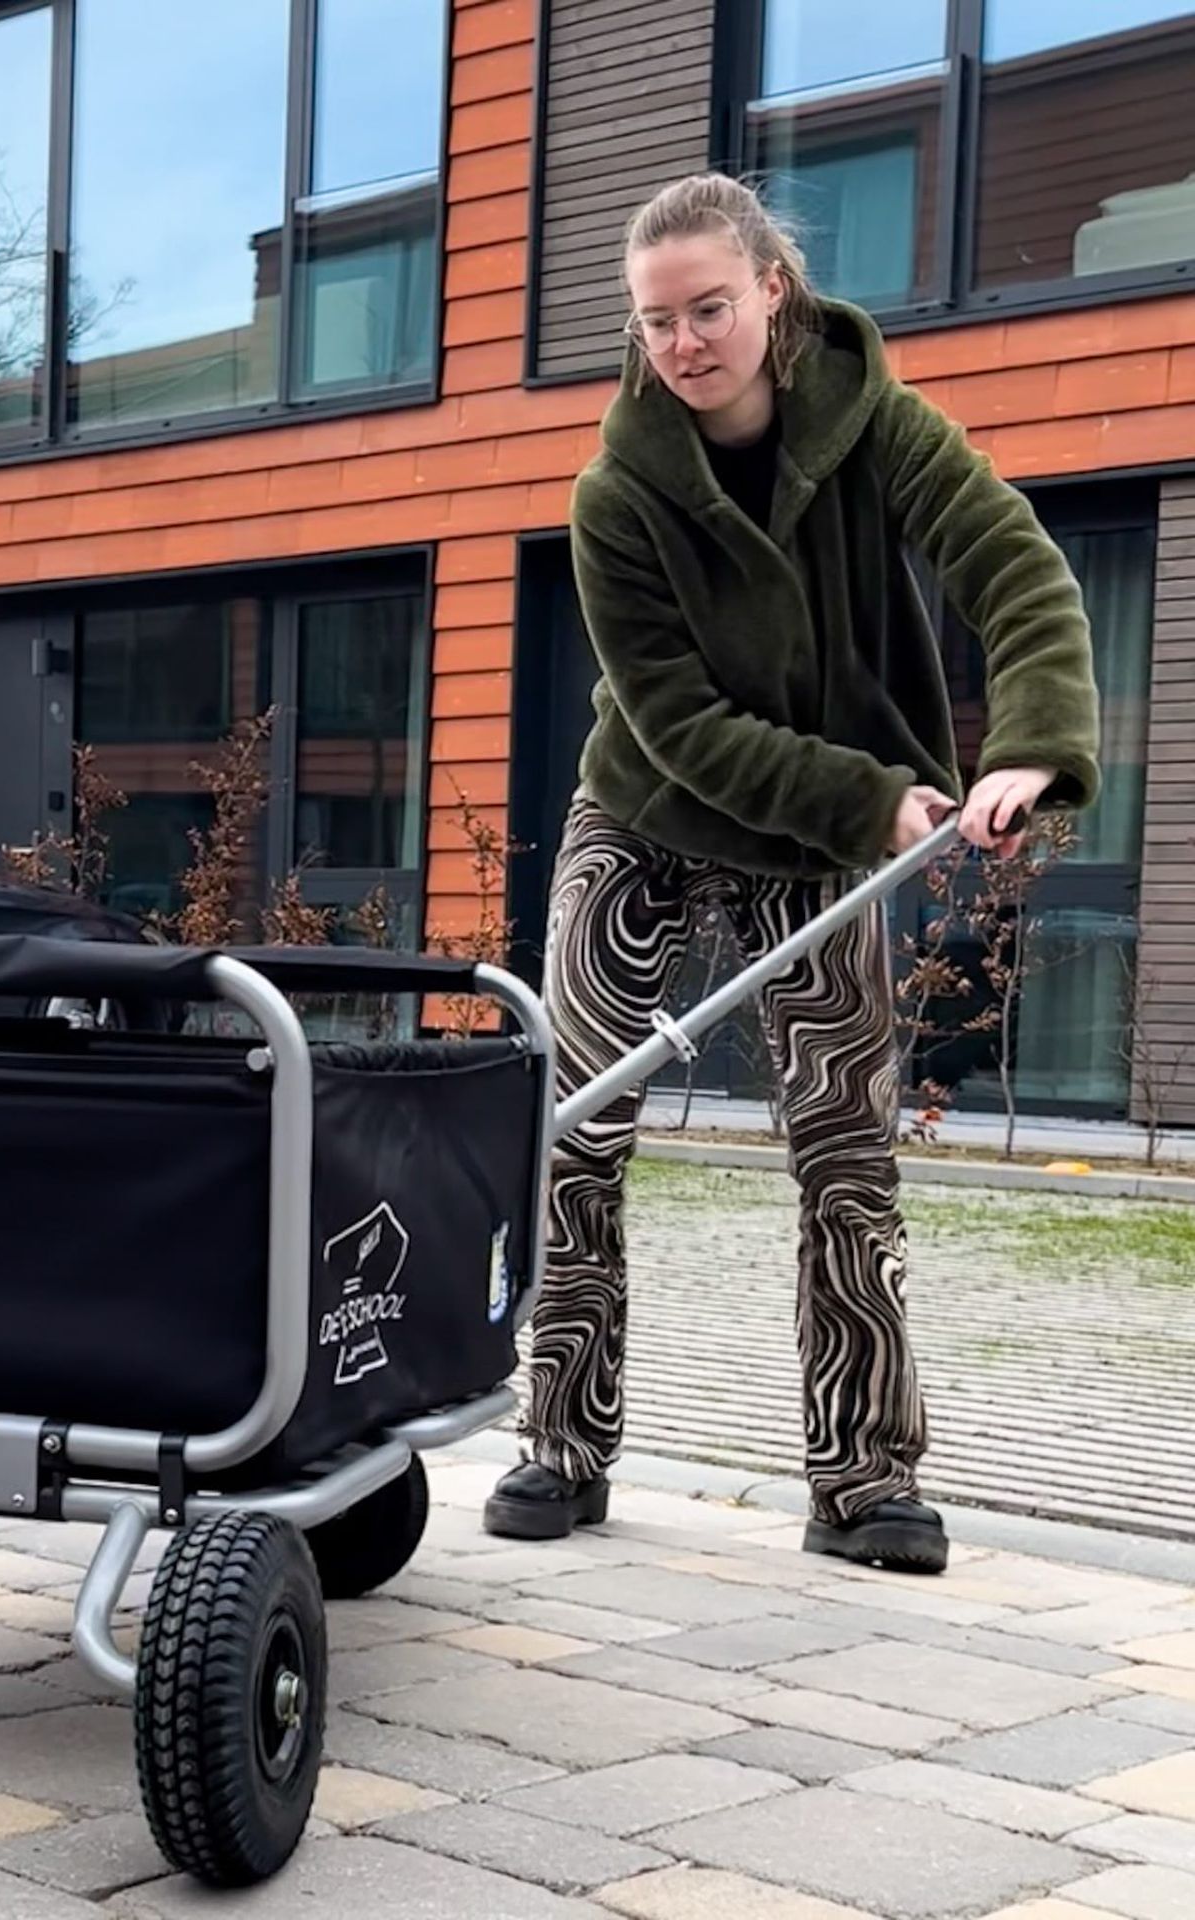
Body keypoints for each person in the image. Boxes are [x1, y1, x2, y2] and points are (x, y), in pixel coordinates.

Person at [483, 173, 1101, 1575]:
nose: (686, 343)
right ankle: (562, 1444)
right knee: (580, 1130)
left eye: (709, 306)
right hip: (647, 814)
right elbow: (679, 723)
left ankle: (867, 1480)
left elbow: (1015, 566)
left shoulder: (877, 424)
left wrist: (1033, 747)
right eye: (657, 322)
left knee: (846, 1154)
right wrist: (874, 795)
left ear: (772, 286)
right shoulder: (616, 492)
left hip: (825, 845)